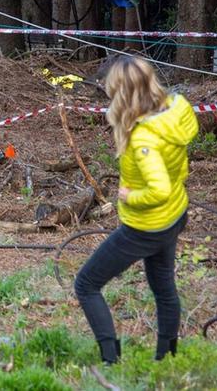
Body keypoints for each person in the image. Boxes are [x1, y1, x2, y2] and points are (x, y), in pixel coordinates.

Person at [74, 56, 198, 364]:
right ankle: (166, 359)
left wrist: (130, 197)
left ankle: (110, 362)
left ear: (123, 92)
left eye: (110, 88)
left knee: (86, 284)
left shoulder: (144, 139)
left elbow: (158, 190)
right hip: (174, 214)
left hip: (146, 226)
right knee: (164, 287)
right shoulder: (174, 108)